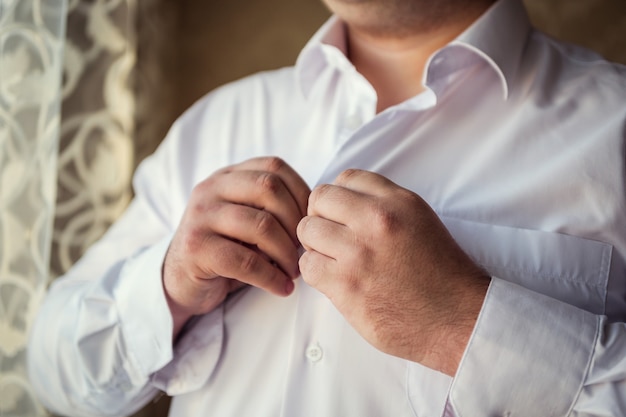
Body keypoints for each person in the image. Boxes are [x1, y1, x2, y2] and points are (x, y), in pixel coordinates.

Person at [28, 0, 626, 415]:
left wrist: (462, 326)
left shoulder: (613, 130)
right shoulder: (216, 126)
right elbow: (54, 371)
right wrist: (167, 286)